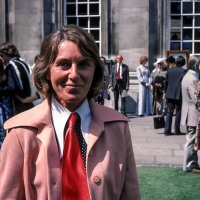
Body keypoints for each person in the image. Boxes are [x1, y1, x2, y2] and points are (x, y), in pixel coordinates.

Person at [0, 25, 141, 199]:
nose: (74, 74)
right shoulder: (21, 132)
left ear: (95, 70)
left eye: (83, 64)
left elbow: (130, 194)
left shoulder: (118, 128)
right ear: (46, 71)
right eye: (63, 64)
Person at [0, 43, 40, 113]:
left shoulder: (10, 66)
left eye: (2, 56)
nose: (2, 60)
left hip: (22, 104)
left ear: (6, 54)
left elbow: (12, 87)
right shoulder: (23, 62)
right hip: (32, 100)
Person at [181, 56, 200, 173]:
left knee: (193, 138)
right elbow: (196, 99)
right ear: (196, 65)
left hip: (189, 111)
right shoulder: (193, 78)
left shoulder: (188, 76)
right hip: (193, 112)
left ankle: (193, 163)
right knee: (191, 139)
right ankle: (188, 164)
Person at [164, 55, 187, 136]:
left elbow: (166, 82)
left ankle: (167, 130)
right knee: (178, 112)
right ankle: (177, 130)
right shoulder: (184, 71)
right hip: (179, 94)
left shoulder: (169, 70)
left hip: (169, 93)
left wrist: (165, 92)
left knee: (169, 112)